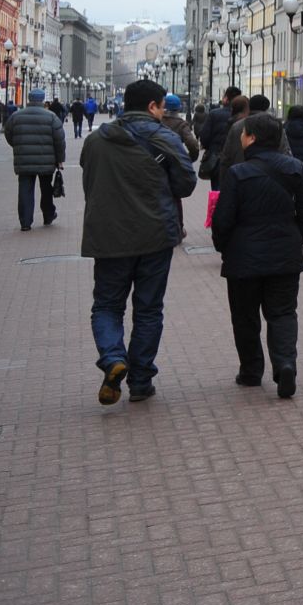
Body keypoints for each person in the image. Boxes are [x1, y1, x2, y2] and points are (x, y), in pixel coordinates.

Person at [79, 78, 197, 405]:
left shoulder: (96, 140)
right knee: (148, 309)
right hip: (155, 235)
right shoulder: (164, 138)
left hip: (108, 236)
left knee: (106, 305)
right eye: (161, 107)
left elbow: (90, 182)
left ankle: (114, 358)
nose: (162, 113)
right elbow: (186, 183)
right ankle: (141, 381)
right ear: (152, 106)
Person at [212, 111, 303, 398]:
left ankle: (251, 371)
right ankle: (285, 364)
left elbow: (223, 218)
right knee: (283, 312)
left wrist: (224, 247)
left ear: (252, 138)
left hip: (243, 258)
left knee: (245, 316)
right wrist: (296, 237)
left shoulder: (237, 173)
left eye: (244, 133)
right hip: (285, 255)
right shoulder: (297, 169)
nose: (242, 137)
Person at [7, 90, 67, 231]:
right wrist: (60, 159)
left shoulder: (16, 116)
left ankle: (25, 222)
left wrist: (19, 146)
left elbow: (9, 134)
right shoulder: (51, 117)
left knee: (25, 191)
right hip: (46, 160)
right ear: (42, 100)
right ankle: (48, 215)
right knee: (46, 189)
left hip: (24, 160)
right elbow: (60, 140)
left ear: (29, 99)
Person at [197, 85, 242, 182]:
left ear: (226, 98)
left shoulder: (214, 114)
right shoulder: (242, 117)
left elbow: (205, 136)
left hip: (216, 158)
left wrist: (209, 147)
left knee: (217, 190)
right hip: (237, 160)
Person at [160, 93, 202, 163]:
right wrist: (190, 158)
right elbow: (192, 144)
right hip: (174, 159)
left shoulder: (156, 120)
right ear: (179, 108)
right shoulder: (181, 124)